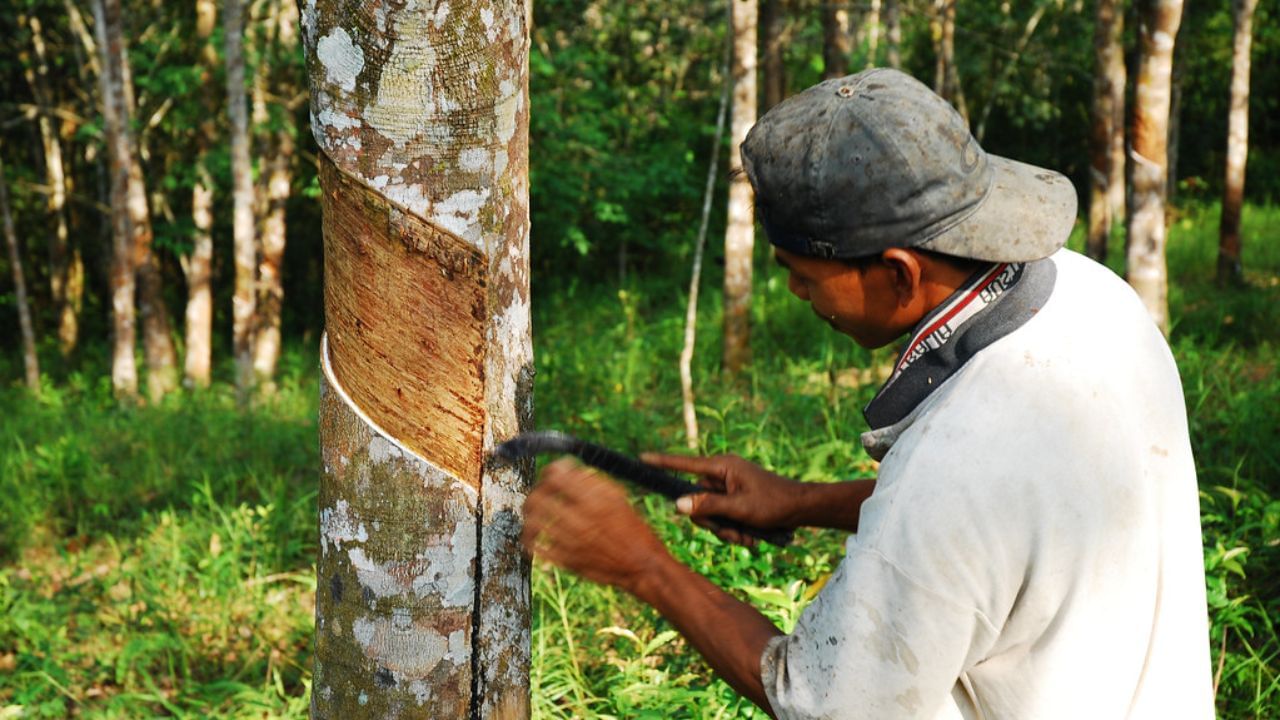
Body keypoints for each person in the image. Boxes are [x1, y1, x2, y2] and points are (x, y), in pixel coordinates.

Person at [521, 68, 1214, 719]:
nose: (794, 292)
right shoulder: (1090, 296)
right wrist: (804, 501)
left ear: (899, 274)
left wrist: (642, 565)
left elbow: (818, 698)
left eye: (801, 273)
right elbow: (1006, 519)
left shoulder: (957, 466)